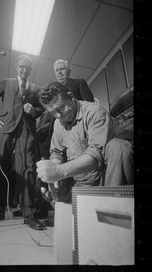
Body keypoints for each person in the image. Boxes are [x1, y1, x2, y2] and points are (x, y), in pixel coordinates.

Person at [36, 82, 133, 193]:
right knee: (62, 199)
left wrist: (59, 171)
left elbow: (96, 155)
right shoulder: (58, 123)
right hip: (82, 183)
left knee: (119, 147)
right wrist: (55, 162)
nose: (58, 116)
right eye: (53, 112)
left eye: (60, 108)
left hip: (105, 177)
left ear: (71, 97)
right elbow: (56, 151)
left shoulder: (95, 112)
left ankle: (114, 200)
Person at [0, 54, 44, 230]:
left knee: (28, 169)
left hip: (26, 130)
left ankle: (29, 214)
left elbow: (41, 108)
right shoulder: (6, 82)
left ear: (31, 70)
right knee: (1, 167)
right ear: (16, 67)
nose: (24, 70)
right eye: (21, 67)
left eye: (27, 68)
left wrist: (34, 110)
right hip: (5, 127)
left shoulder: (35, 88)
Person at [33, 59, 95, 225]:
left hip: (78, 134)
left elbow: (88, 105)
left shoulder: (78, 83)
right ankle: (57, 209)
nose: (59, 72)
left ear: (69, 71)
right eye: (57, 70)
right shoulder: (52, 98)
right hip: (56, 136)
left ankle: (70, 211)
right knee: (51, 172)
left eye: (62, 69)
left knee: (68, 170)